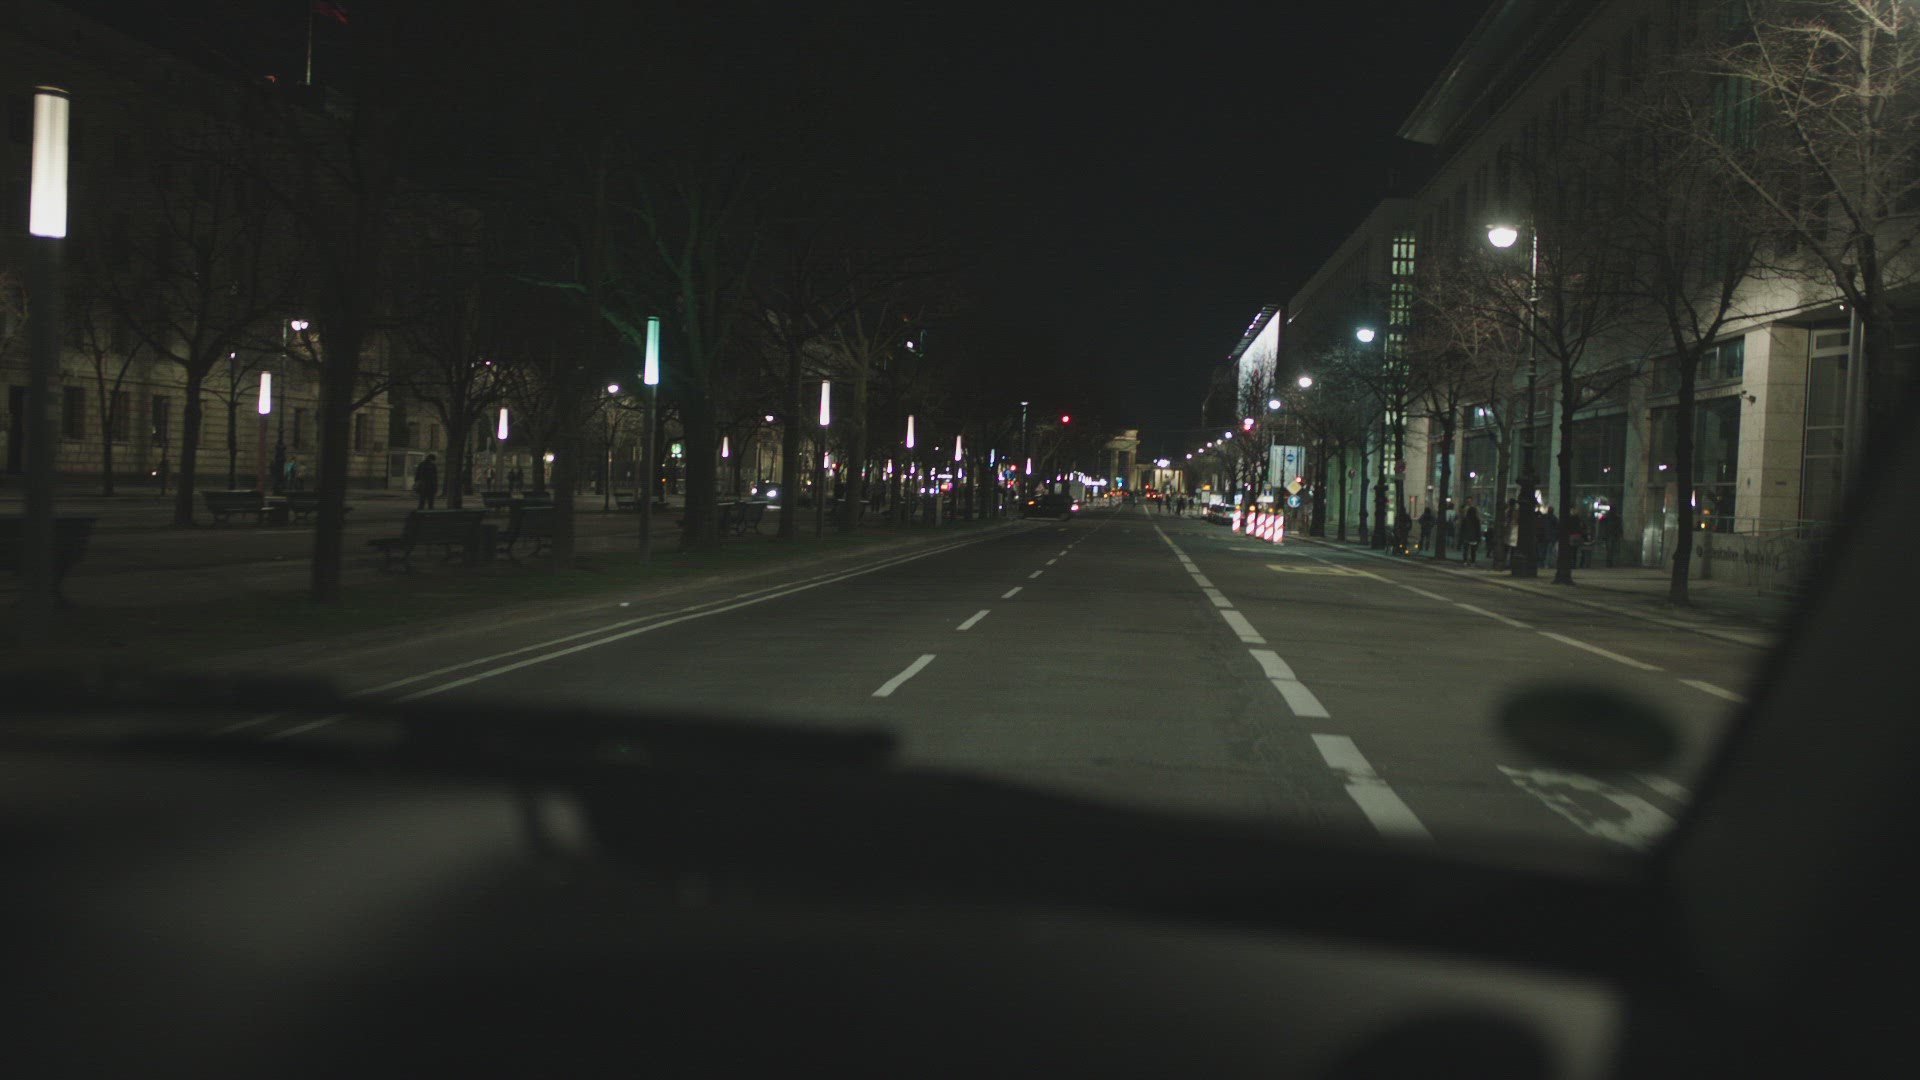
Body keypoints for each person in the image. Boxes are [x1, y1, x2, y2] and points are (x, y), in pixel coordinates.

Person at [1459, 501, 1483, 566]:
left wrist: (1461, 536)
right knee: (1473, 551)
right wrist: (1479, 538)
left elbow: (1462, 529)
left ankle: (1465, 561)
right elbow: (1478, 530)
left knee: (1466, 550)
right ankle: (1472, 562)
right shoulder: (1476, 520)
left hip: (1466, 536)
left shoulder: (1465, 519)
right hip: (1474, 537)